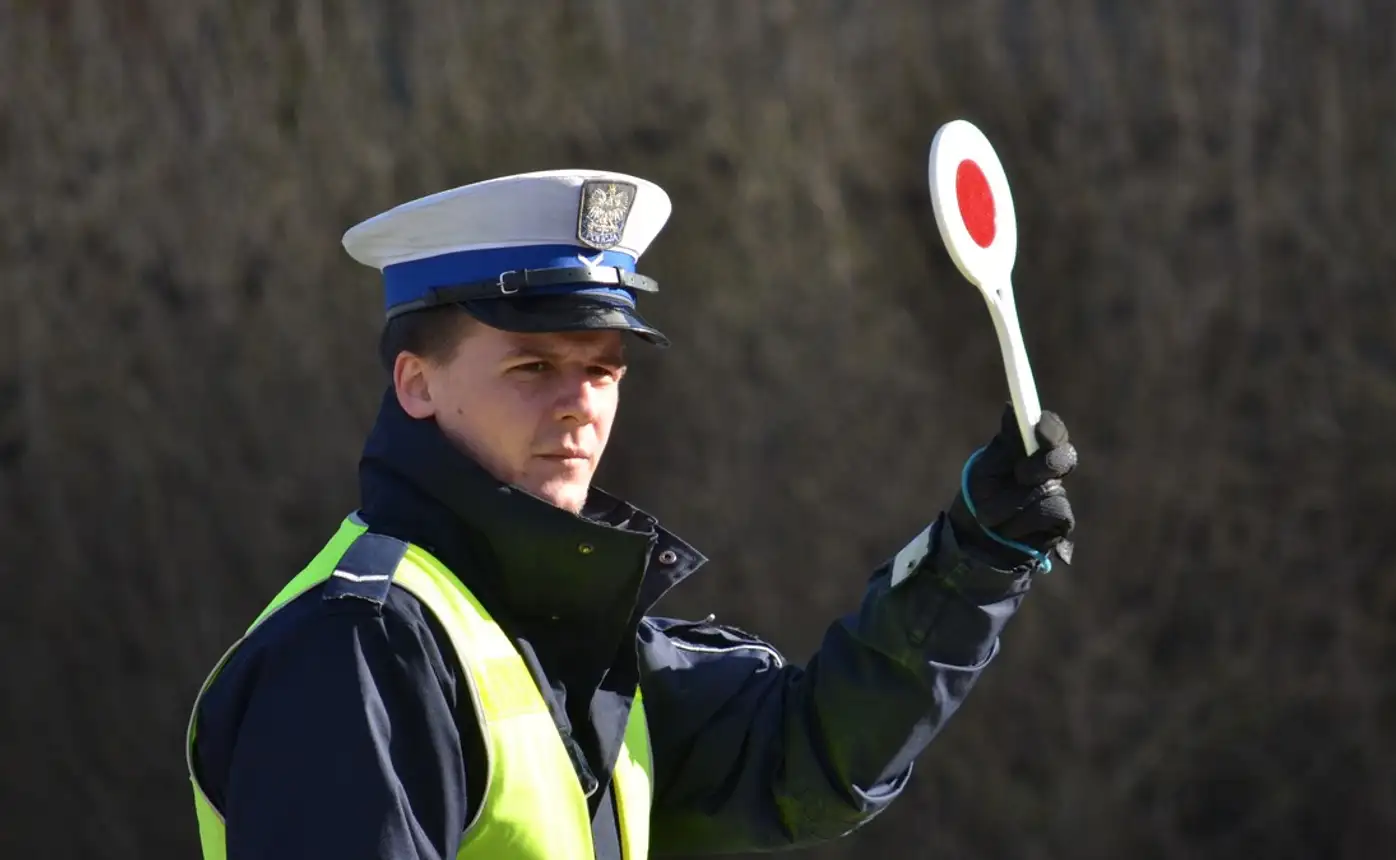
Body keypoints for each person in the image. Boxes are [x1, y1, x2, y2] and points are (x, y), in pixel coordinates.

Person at [183, 169, 1078, 860]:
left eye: (604, 369)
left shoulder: (569, 633)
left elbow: (806, 758)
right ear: (417, 383)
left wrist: (973, 555)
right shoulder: (357, 647)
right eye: (533, 368)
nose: (580, 404)